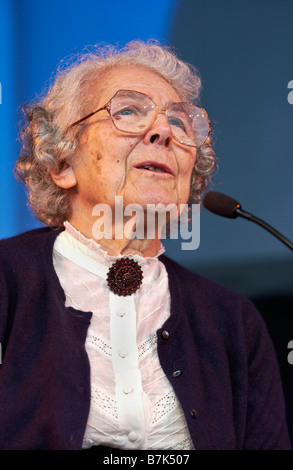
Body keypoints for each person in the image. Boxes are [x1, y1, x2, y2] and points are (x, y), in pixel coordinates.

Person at [0, 40, 291, 450]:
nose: (162, 132)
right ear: (63, 163)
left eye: (180, 123)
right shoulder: (6, 283)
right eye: (128, 111)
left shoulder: (233, 322)